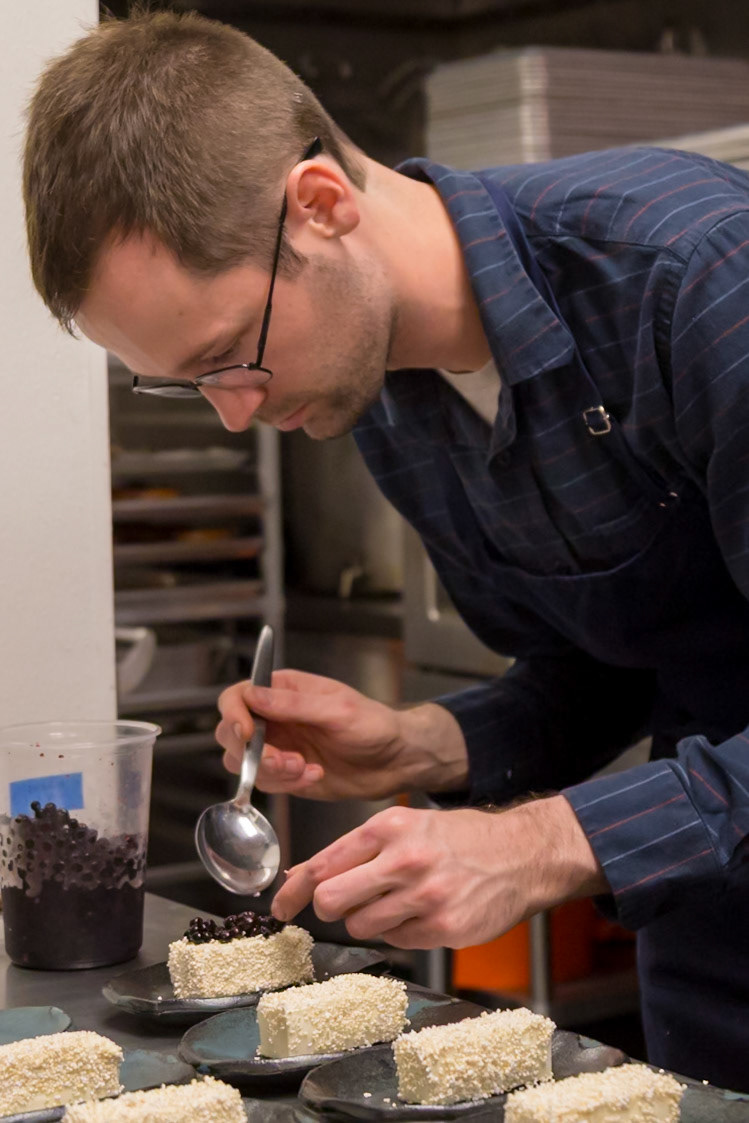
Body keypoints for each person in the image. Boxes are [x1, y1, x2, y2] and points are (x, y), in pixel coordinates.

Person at [23, 7, 749, 1090]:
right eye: (189, 380)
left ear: (319, 206)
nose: (232, 415)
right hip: (709, 934)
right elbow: (612, 667)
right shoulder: (382, 399)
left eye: (230, 357)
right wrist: (415, 746)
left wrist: (542, 841)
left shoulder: (695, 275)